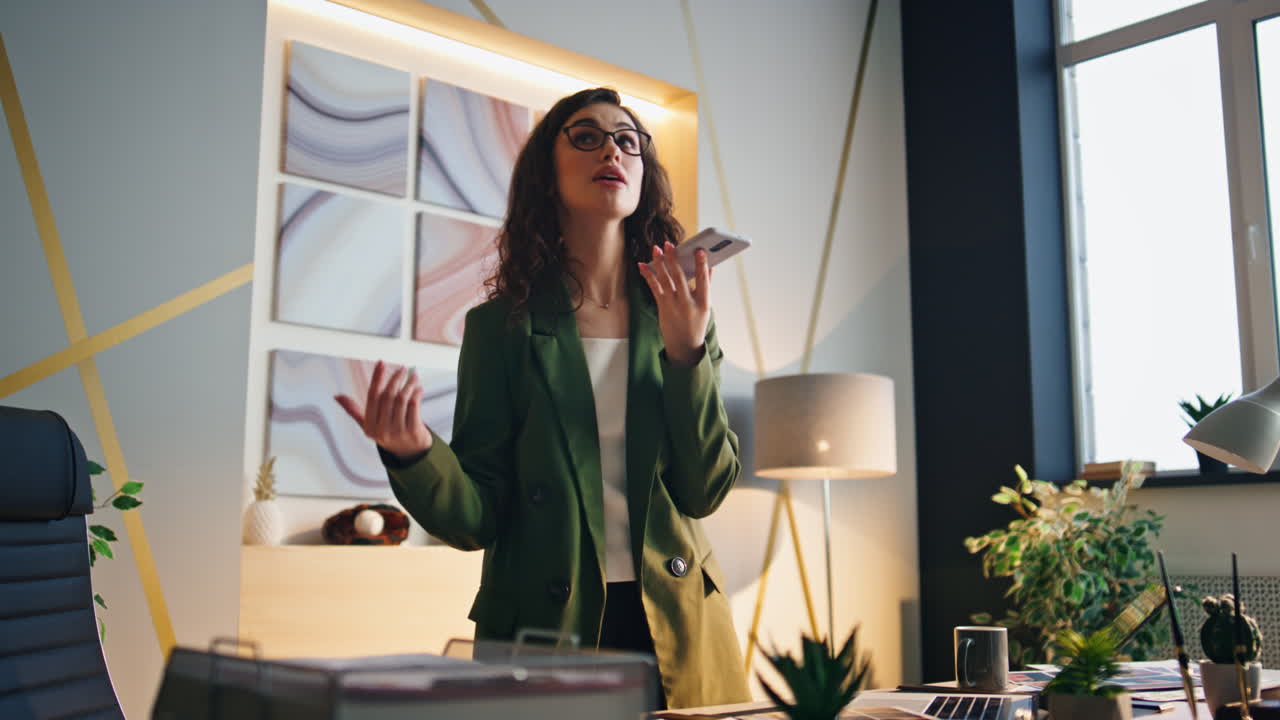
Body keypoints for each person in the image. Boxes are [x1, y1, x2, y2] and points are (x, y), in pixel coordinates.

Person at [335, 87, 750, 710]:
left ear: (642, 175)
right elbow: (476, 519)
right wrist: (416, 453)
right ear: (546, 175)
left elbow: (704, 492)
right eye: (586, 135)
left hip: (679, 627)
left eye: (628, 139)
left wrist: (687, 354)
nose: (612, 147)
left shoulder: (684, 316)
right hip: (543, 633)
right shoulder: (501, 327)